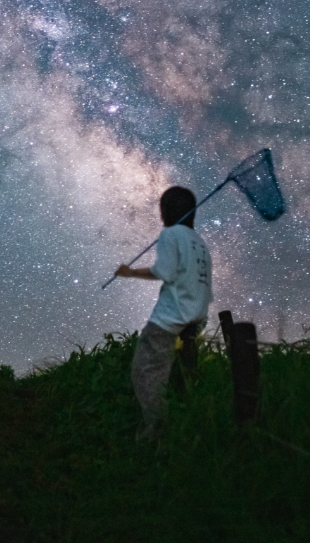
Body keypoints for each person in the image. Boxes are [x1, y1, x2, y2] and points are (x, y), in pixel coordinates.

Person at [114, 185, 212, 441]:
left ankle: (156, 436)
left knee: (146, 374)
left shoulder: (170, 234)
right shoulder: (200, 243)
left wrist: (130, 272)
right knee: (184, 376)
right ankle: (187, 427)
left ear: (166, 211)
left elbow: (166, 272)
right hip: (194, 321)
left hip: (168, 321)